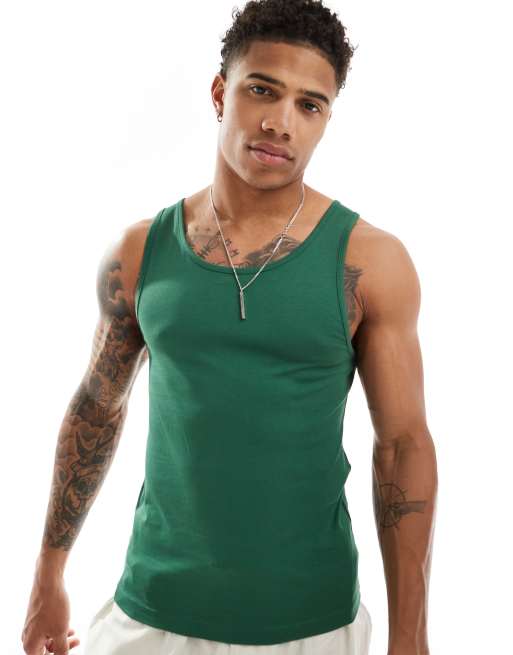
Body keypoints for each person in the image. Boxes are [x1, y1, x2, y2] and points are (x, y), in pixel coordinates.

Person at [21, 1, 438, 654]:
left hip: (311, 623)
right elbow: (97, 407)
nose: (280, 122)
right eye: (261, 90)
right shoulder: (139, 253)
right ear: (221, 93)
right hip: (151, 613)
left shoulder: (369, 262)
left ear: (326, 120)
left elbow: (403, 447)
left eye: (309, 105)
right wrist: (48, 575)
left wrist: (410, 638)